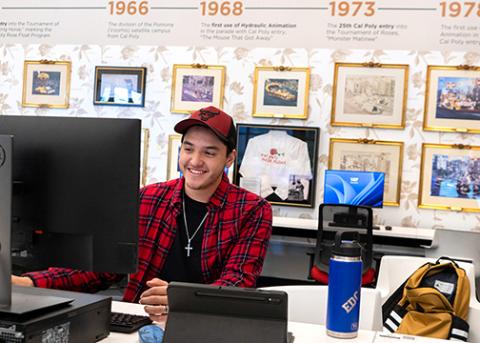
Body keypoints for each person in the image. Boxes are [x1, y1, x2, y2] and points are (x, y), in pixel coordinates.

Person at [12, 106, 273, 321]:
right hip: (140, 319)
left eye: (209, 152)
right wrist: (30, 283)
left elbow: (238, 282)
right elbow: (103, 267)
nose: (195, 161)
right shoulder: (147, 198)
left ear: (229, 158)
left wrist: (181, 298)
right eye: (188, 148)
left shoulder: (252, 210)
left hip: (207, 324)